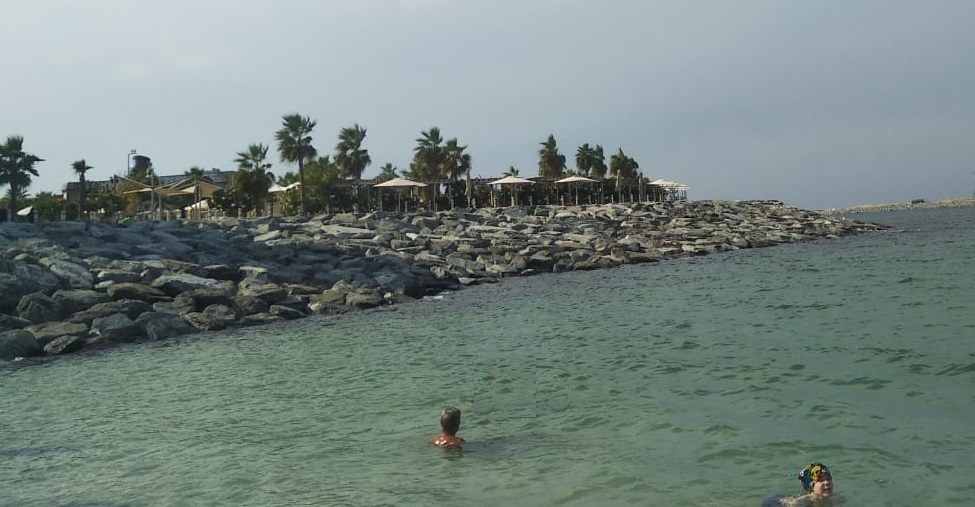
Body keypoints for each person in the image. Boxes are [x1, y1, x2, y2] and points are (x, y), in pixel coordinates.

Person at [773, 463, 838, 506]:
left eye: (828, 478)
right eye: (820, 480)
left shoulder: (836, 500)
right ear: (811, 485)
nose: (826, 482)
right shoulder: (799, 503)